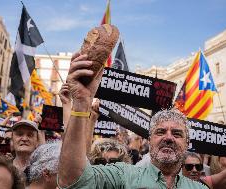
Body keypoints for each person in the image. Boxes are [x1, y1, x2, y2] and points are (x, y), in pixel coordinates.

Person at [57, 52, 208, 188]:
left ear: (187, 143)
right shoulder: (123, 175)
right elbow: (72, 179)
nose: (168, 137)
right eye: (161, 132)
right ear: (149, 140)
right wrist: (81, 103)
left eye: (177, 133)